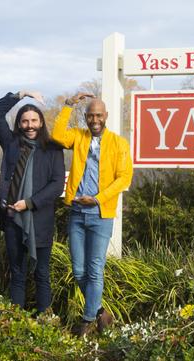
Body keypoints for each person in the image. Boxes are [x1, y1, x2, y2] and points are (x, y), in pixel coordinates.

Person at [51, 93, 133, 336]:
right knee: (78, 270)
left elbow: (124, 178)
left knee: (95, 269)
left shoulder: (119, 143)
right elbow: (57, 135)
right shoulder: (79, 136)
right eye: (90, 115)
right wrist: (68, 106)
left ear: (105, 116)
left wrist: (97, 198)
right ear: (86, 117)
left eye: (99, 115)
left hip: (101, 213)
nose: (95, 119)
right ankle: (100, 312)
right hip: (76, 211)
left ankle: (87, 321)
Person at [0, 91, 65, 314]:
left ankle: (44, 323)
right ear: (19, 123)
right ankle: (17, 325)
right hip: (13, 219)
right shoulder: (11, 143)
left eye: (34, 120)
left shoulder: (52, 149)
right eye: (25, 121)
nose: (30, 125)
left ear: (41, 122)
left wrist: (30, 202)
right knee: (18, 274)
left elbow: (57, 184)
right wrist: (21, 95)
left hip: (40, 220)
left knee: (42, 273)